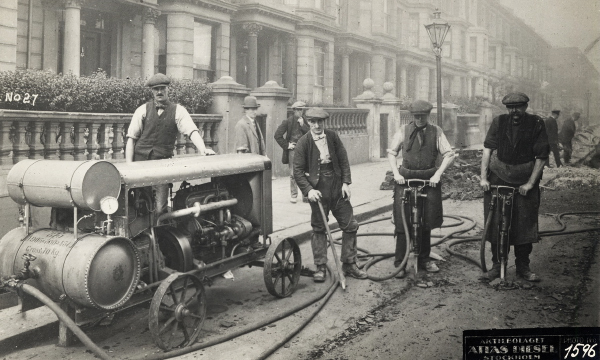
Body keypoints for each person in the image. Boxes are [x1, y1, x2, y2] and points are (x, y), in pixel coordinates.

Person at [480, 92, 549, 282]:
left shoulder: (536, 123)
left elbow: (542, 156)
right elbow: (487, 149)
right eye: (511, 107)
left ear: (526, 107)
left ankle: (522, 267)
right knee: (495, 222)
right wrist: (483, 178)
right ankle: (496, 265)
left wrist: (530, 183)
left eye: (518, 107)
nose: (514, 111)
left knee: (524, 223)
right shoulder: (499, 122)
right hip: (498, 177)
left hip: (524, 179)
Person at [293, 107, 367, 282]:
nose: (317, 125)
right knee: (319, 228)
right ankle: (320, 267)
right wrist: (309, 190)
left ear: (324, 122)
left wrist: (346, 183)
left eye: (320, 122)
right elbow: (297, 171)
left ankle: (349, 263)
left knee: (350, 225)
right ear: (308, 122)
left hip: (337, 188)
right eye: (313, 122)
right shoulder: (303, 142)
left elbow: (343, 161)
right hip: (318, 191)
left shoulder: (333, 137)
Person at [126, 73, 214, 217]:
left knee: (160, 208)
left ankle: (160, 234)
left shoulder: (178, 111)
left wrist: (203, 149)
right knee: (140, 204)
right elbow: (131, 138)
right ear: (152, 91)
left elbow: (191, 131)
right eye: (156, 89)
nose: (159, 92)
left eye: (162, 88)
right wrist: (129, 165)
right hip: (140, 164)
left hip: (162, 165)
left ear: (168, 89)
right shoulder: (142, 110)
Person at [386, 100, 456, 278]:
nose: (419, 119)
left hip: (429, 178)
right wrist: (396, 173)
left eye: (422, 116)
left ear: (428, 115)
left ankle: (424, 259)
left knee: (427, 219)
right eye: (416, 116)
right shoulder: (403, 130)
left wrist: (438, 174)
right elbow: (392, 152)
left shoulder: (436, 131)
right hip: (406, 178)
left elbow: (449, 154)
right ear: (412, 116)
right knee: (402, 221)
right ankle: (400, 262)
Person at [274, 101, 310, 203]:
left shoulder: (305, 121)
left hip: (304, 149)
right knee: (293, 173)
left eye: (302, 110)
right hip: (293, 150)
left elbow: (311, 134)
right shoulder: (288, 121)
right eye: (298, 110)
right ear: (294, 110)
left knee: (305, 172)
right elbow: (277, 135)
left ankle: (305, 195)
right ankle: (294, 195)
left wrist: (303, 126)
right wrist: (287, 145)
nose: (300, 112)